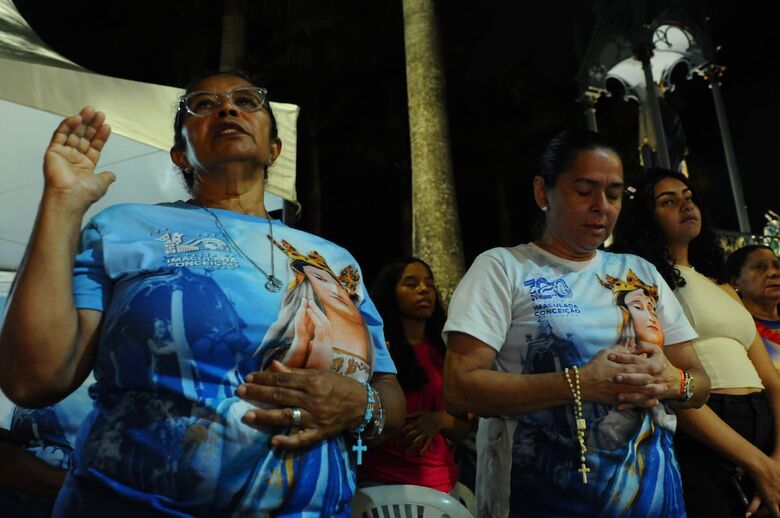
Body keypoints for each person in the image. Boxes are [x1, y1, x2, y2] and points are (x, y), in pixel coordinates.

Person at [0, 71, 405, 516]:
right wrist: (63, 200)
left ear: (274, 148)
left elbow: (387, 389)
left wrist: (362, 405)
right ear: (180, 155)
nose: (228, 109)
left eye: (246, 101)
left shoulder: (334, 259)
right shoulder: (123, 227)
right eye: (203, 105)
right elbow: (33, 380)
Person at [442, 130, 709, 517]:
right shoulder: (504, 268)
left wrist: (673, 381)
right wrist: (579, 384)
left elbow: (699, 383)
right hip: (539, 498)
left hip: (654, 499)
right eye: (584, 191)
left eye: (614, 195)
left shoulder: (638, 271)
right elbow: (459, 387)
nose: (602, 207)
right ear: (542, 193)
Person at [612, 168, 780, 518]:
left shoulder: (721, 287)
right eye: (668, 201)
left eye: (689, 198)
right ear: (645, 216)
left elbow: (773, 382)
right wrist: (758, 464)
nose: (686, 206)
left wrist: (776, 459)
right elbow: (672, 386)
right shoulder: (645, 284)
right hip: (704, 434)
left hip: (764, 426)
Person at [357, 258, 472, 493]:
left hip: (442, 483)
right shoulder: (376, 350)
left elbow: (464, 429)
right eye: (411, 284)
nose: (424, 290)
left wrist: (441, 420)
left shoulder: (445, 351)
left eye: (429, 284)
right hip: (382, 482)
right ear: (391, 292)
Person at [726, 245, 780, 370]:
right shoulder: (732, 329)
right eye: (760, 267)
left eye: (777, 266)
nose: (774, 273)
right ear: (735, 282)